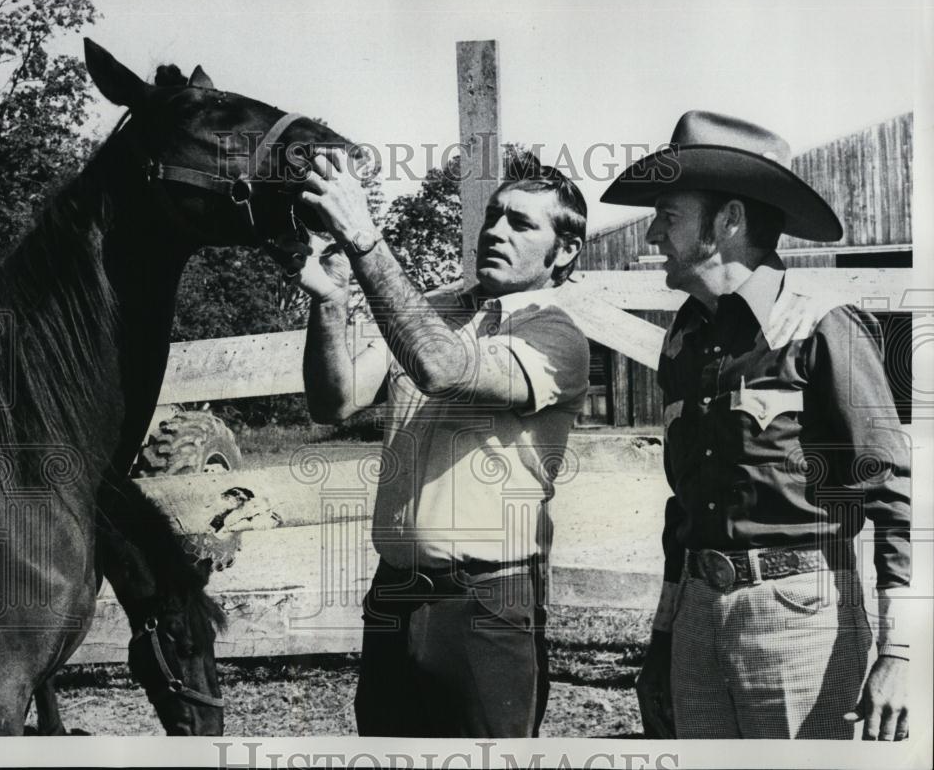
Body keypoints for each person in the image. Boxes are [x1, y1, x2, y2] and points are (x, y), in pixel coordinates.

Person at [601, 111, 911, 740]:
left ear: (729, 221)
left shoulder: (821, 324)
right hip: (697, 610)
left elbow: (896, 499)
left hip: (801, 614)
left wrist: (901, 653)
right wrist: (665, 634)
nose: (655, 231)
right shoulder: (685, 338)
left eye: (669, 213)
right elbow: (680, 507)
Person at [294, 150, 590, 737]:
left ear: (566, 251)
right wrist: (329, 305)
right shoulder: (434, 308)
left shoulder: (556, 335)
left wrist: (362, 237)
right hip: (394, 593)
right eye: (493, 217)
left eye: (522, 223)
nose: (496, 232)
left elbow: (441, 367)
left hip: (485, 601)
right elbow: (337, 401)